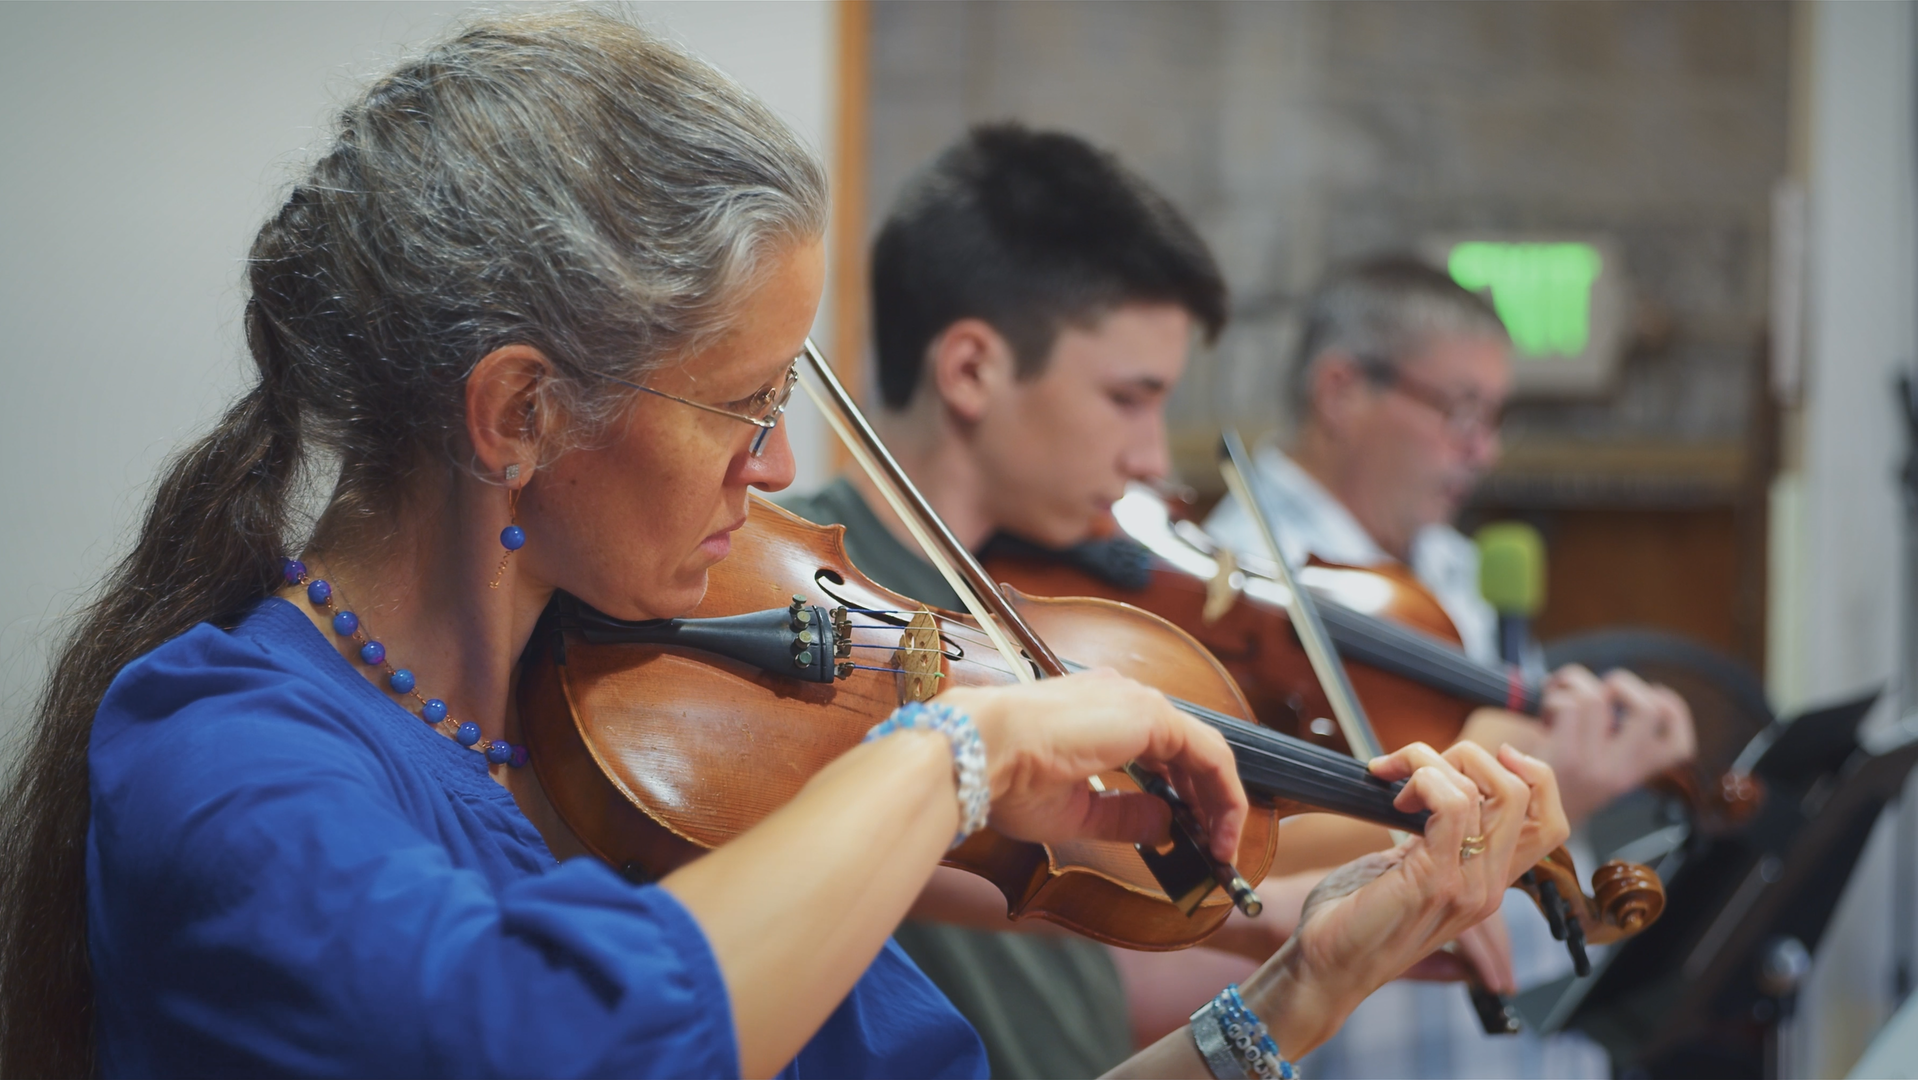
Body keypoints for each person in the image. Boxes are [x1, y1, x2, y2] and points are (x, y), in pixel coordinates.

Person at [0, 14, 1571, 1080]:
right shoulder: (226, 765)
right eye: (745, 403)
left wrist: (1303, 990)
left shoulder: (641, 757)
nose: (781, 468)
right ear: (520, 414)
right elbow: (553, 1038)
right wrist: (953, 748)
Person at [779, 126, 1644, 1077]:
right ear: (973, 369)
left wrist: (1330, 933)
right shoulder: (794, 602)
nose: (1154, 458)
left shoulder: (1063, 618)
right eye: (1128, 397)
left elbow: (1116, 963)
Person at [1204, 256, 1697, 1078]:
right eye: (1459, 412)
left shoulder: (1459, 572)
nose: (1483, 450)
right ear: (1341, 392)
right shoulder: (1232, 592)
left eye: (1495, 419)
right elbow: (1231, 853)